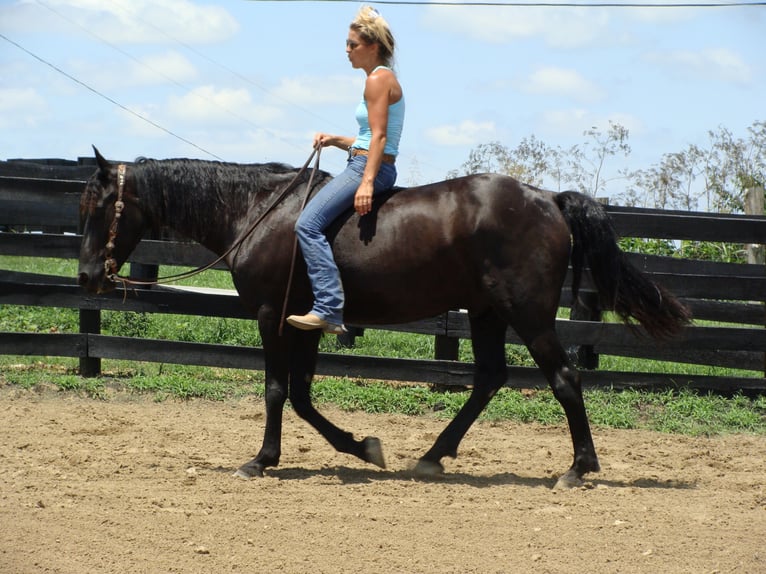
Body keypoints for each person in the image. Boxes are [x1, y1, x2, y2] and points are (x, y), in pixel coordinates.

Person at [287, 5, 405, 335]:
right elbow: (373, 135)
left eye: (353, 44)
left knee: (307, 225)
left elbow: (379, 138)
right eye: (347, 43)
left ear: (373, 47)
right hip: (369, 160)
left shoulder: (377, 81)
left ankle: (327, 308)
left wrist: (366, 182)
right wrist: (336, 140)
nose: (347, 50)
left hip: (370, 167)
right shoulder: (379, 79)